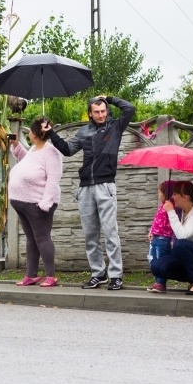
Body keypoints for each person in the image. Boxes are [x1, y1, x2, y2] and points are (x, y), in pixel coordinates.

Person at [42, 95, 135, 291]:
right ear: (90, 113)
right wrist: (51, 133)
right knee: (90, 234)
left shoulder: (115, 127)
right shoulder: (84, 132)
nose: (101, 115)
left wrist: (109, 98)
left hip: (105, 186)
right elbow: (67, 150)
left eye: (103, 111)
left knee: (111, 233)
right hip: (85, 188)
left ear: (107, 111)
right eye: (97, 112)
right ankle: (98, 273)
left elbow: (129, 109)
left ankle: (116, 275)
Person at [8, 118, 63, 287]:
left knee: (42, 238)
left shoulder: (52, 152)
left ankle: (51, 275)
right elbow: (27, 162)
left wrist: (45, 203)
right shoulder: (34, 149)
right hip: (22, 202)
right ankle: (31, 275)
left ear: (36, 134)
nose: (29, 133)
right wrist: (17, 146)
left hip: (38, 204)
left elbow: (53, 180)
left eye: (31, 131)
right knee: (31, 239)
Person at [151, 181, 193, 296]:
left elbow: (183, 235)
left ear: (184, 197)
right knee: (157, 267)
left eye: (175, 194)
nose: (172, 197)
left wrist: (170, 211)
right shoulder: (185, 211)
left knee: (181, 245)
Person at [145, 180, 178, 293]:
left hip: (164, 239)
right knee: (153, 260)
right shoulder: (162, 206)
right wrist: (151, 231)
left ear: (167, 193)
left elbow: (175, 224)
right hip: (156, 238)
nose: (158, 195)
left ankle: (161, 283)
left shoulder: (172, 207)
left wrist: (173, 239)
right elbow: (156, 221)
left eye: (160, 192)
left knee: (160, 260)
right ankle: (157, 281)